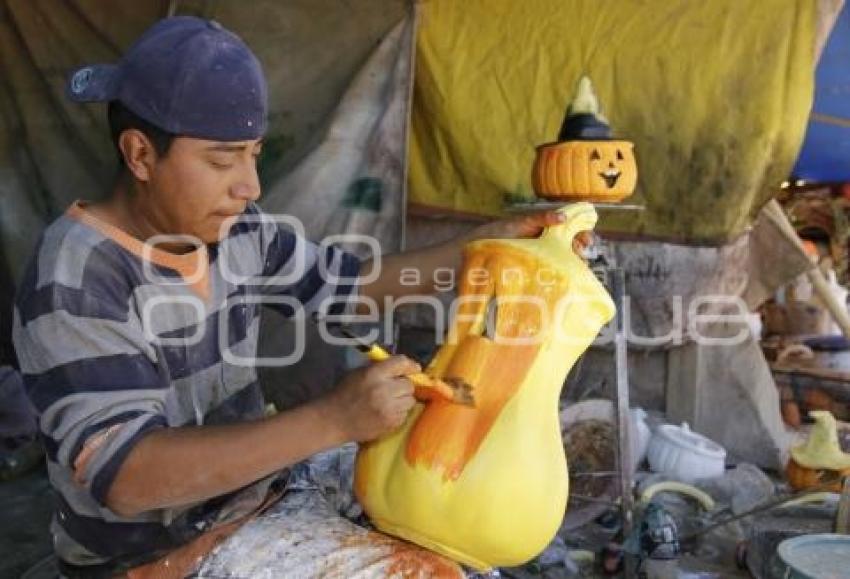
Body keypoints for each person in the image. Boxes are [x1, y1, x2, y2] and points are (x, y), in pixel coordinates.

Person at [13, 16, 573, 577]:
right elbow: (127, 478)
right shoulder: (75, 276)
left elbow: (343, 285)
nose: (249, 186)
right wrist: (334, 419)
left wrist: (475, 252)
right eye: (221, 159)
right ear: (139, 154)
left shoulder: (236, 229)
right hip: (151, 556)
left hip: (257, 498)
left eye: (254, 154)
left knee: (450, 520)